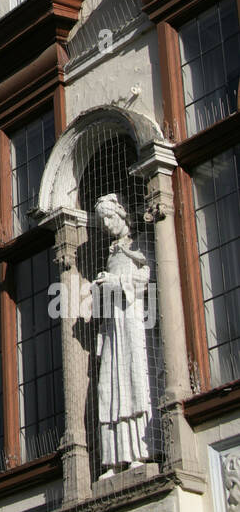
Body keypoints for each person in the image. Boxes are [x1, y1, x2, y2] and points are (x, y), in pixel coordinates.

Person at [90, 193, 154, 476]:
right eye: (102, 220)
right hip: (113, 327)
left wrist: (114, 281)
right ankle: (115, 458)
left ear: (123, 215)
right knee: (109, 386)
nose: (106, 225)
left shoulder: (139, 245)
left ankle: (141, 451)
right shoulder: (112, 252)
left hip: (133, 325)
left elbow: (145, 281)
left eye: (109, 217)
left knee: (132, 378)